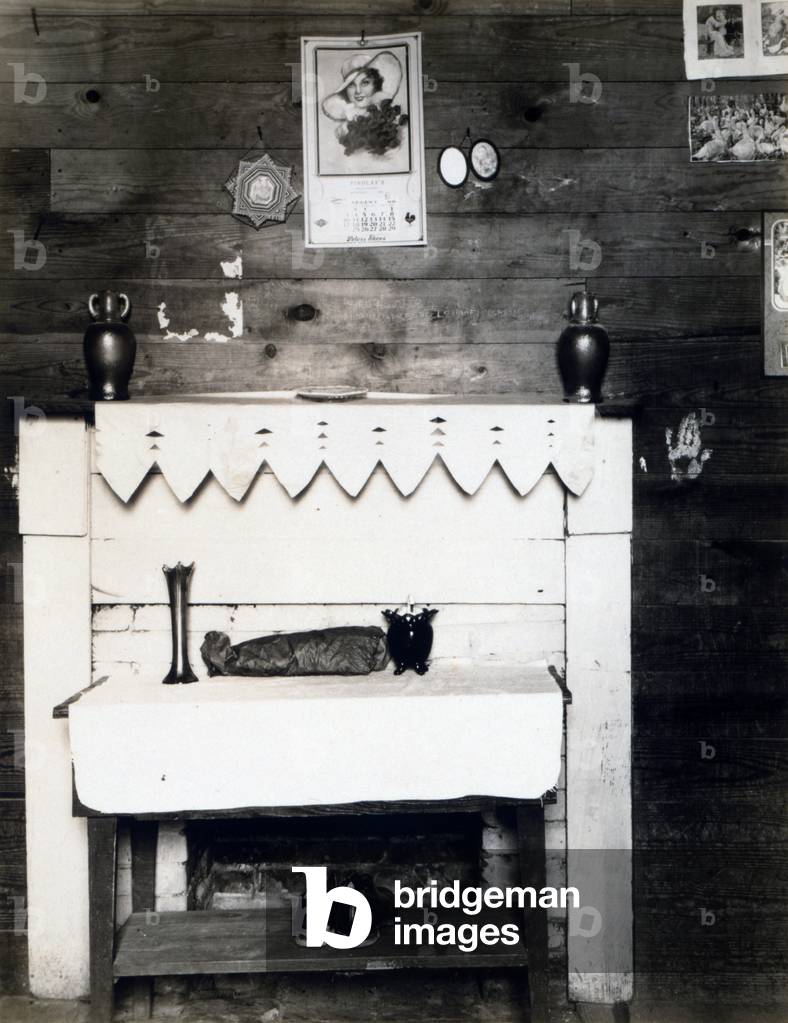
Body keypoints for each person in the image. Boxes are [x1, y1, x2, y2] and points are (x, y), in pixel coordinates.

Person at [322, 51, 408, 158]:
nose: (358, 91)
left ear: (376, 85)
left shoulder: (394, 122)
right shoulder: (343, 131)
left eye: (365, 82)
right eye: (351, 85)